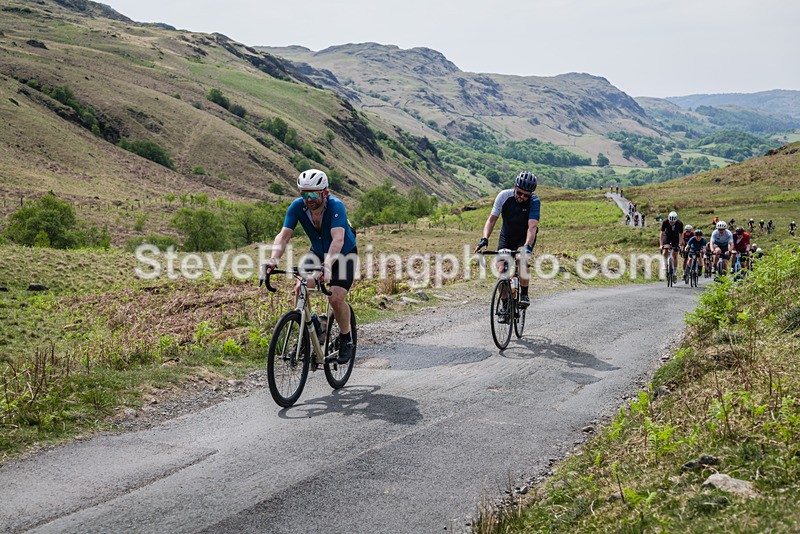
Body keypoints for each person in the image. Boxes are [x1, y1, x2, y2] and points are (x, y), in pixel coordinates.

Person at [262, 169, 358, 364]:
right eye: (304, 194)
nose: (309, 199)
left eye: (313, 194)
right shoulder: (297, 207)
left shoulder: (335, 206)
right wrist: (273, 260)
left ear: (325, 192)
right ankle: (313, 328)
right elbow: (284, 236)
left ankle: (346, 338)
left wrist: (328, 266)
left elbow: (338, 239)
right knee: (301, 287)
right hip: (317, 253)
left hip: (343, 254)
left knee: (336, 299)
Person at [475, 171, 540, 311]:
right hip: (507, 236)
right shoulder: (503, 196)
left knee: (520, 258)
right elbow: (492, 220)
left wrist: (527, 246)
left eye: (526, 195)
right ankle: (505, 306)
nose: (522, 197)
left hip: (525, 237)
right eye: (519, 193)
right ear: (514, 187)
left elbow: (532, 227)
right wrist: (484, 238)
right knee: (501, 271)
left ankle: (524, 294)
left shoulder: (534, 202)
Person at [660, 211, 685, 282]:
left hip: (675, 238)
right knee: (665, 251)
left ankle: (674, 273)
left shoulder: (680, 224)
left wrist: (680, 244)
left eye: (673, 222)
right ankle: (664, 266)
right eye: (670, 222)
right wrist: (661, 245)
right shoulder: (665, 222)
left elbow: (681, 235)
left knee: (675, 255)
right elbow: (662, 234)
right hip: (667, 237)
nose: (671, 223)